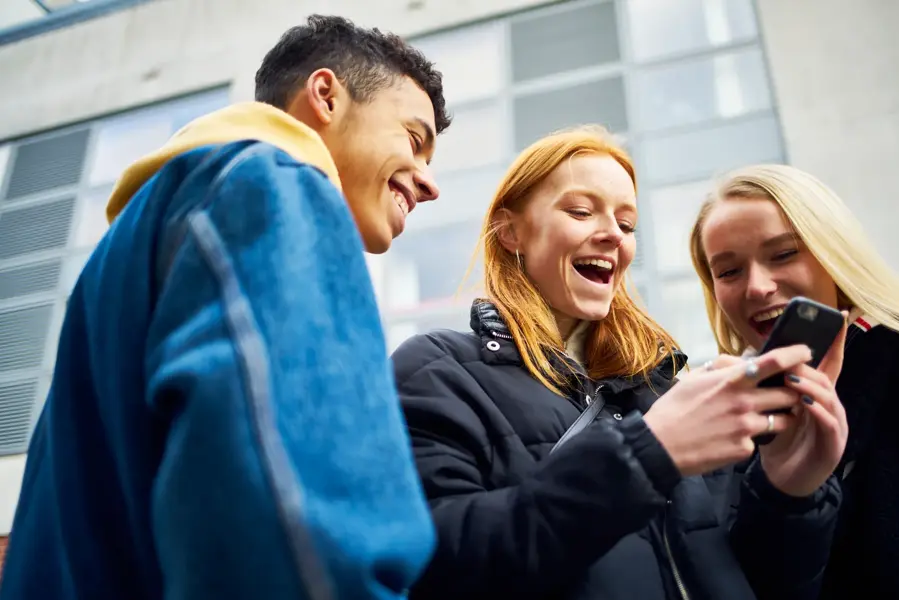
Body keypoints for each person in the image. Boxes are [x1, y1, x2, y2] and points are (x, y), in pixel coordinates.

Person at [0, 15, 451, 600]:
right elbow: (294, 533)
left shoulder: (125, 255)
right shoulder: (276, 186)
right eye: (414, 141)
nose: (429, 183)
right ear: (325, 96)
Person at [391, 126, 847, 600]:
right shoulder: (439, 370)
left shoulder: (670, 393)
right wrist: (645, 456)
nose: (613, 234)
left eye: (627, 225)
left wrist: (790, 495)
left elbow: (758, 582)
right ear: (511, 232)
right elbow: (433, 566)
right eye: (581, 211)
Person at [689, 163, 899, 600]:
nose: (757, 287)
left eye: (784, 253)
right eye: (729, 271)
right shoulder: (729, 422)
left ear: (836, 254)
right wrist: (787, 495)